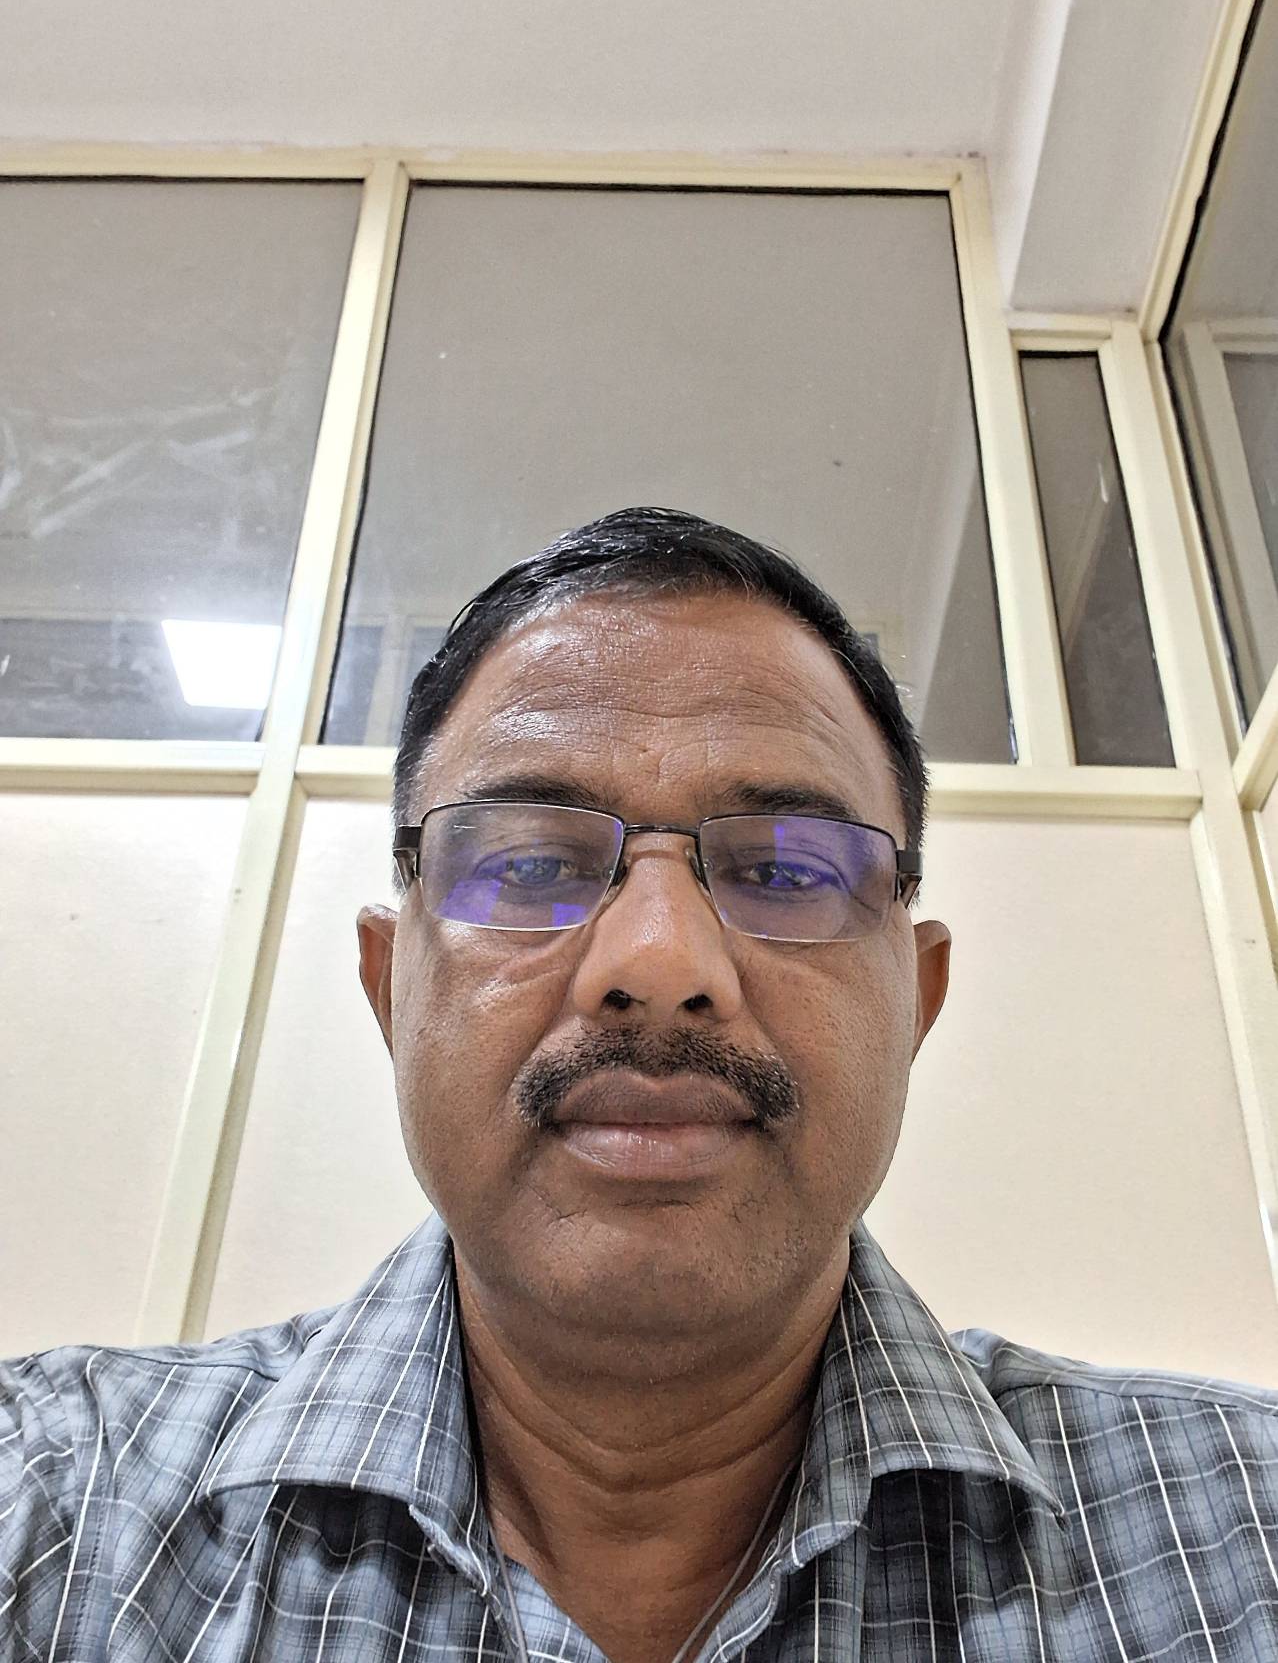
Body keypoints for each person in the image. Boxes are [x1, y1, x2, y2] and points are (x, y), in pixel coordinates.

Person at [3, 507, 1277, 1663]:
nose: (661, 965)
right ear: (392, 990)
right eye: (529, 864)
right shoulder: (52, 1507)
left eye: (785, 872)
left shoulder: (1246, 1531)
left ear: (917, 1004)